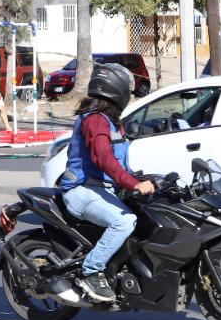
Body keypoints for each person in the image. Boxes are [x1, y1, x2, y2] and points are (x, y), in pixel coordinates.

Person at [59, 62, 155, 303]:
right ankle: (91, 271)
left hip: (102, 189)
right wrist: (132, 184)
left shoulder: (110, 122)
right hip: (81, 191)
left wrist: (145, 179)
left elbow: (119, 164)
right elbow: (104, 159)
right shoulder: (95, 121)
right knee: (124, 222)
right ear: (117, 91)